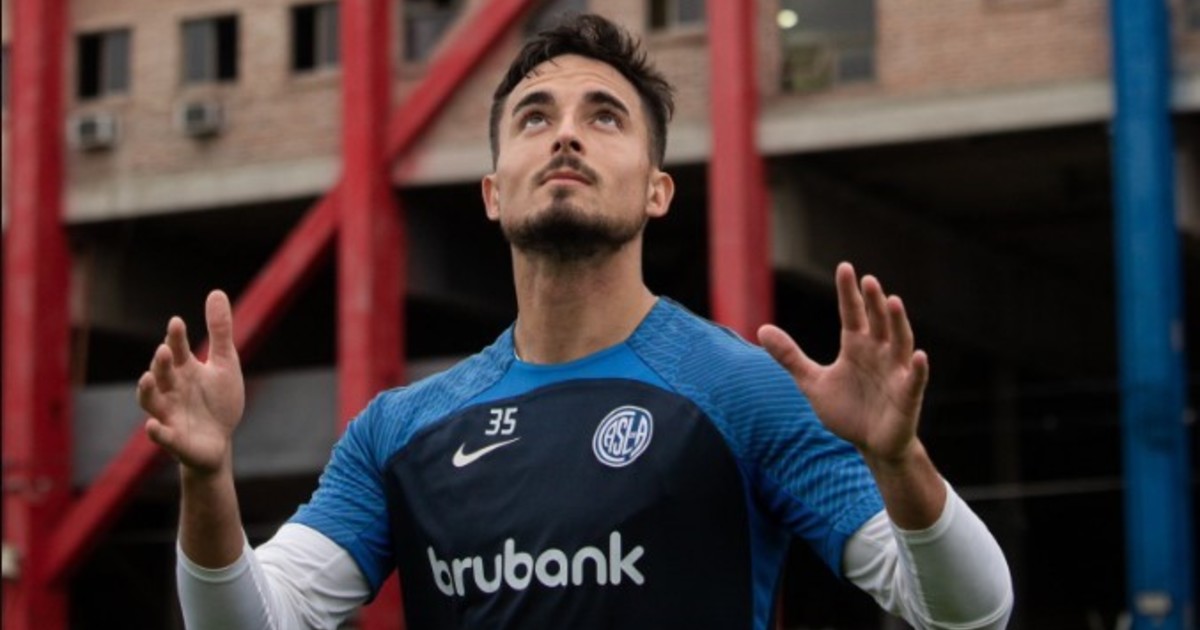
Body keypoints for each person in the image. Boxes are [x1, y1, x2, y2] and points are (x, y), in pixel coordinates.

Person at [138, 14, 1012, 629]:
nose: (566, 136)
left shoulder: (741, 391)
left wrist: (900, 460)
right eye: (535, 118)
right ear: (492, 192)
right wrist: (207, 480)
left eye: (604, 116)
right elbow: (256, 621)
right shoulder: (398, 431)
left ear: (657, 190)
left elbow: (970, 614)